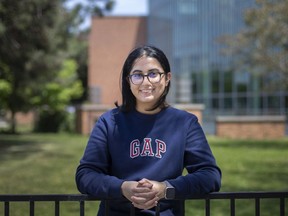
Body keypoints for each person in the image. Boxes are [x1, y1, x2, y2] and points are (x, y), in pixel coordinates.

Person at [75, 45, 221, 215]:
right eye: (137, 75)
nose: (146, 82)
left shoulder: (185, 123)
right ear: (128, 80)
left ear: (167, 78)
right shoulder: (109, 122)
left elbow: (210, 175)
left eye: (153, 74)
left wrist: (166, 188)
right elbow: (85, 175)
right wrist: (122, 188)